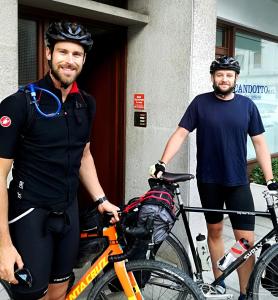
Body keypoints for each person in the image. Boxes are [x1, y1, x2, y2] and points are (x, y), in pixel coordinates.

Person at [0, 21, 119, 300]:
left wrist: (101, 200)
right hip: (29, 214)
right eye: (63, 52)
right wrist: (3, 244)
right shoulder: (19, 104)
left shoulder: (86, 103)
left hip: (68, 212)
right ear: (49, 54)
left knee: (61, 291)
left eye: (76, 54)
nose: (69, 60)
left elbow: (84, 154)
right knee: (34, 296)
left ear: (84, 59)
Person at [149, 56, 278, 300]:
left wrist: (270, 179)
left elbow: (260, 143)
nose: (224, 78)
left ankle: (245, 292)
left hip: (238, 181)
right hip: (209, 180)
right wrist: (162, 162)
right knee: (215, 230)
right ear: (213, 77)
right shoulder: (200, 104)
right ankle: (218, 281)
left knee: (245, 240)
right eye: (220, 74)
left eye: (229, 75)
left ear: (236, 79)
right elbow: (180, 134)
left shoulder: (247, 106)